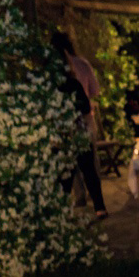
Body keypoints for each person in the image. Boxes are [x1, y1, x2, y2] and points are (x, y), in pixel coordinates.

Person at [50, 31, 108, 222]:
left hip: (59, 132)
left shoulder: (49, 84)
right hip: (80, 125)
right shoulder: (79, 69)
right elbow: (91, 95)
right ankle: (98, 206)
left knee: (66, 171)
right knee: (89, 166)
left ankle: (75, 201)